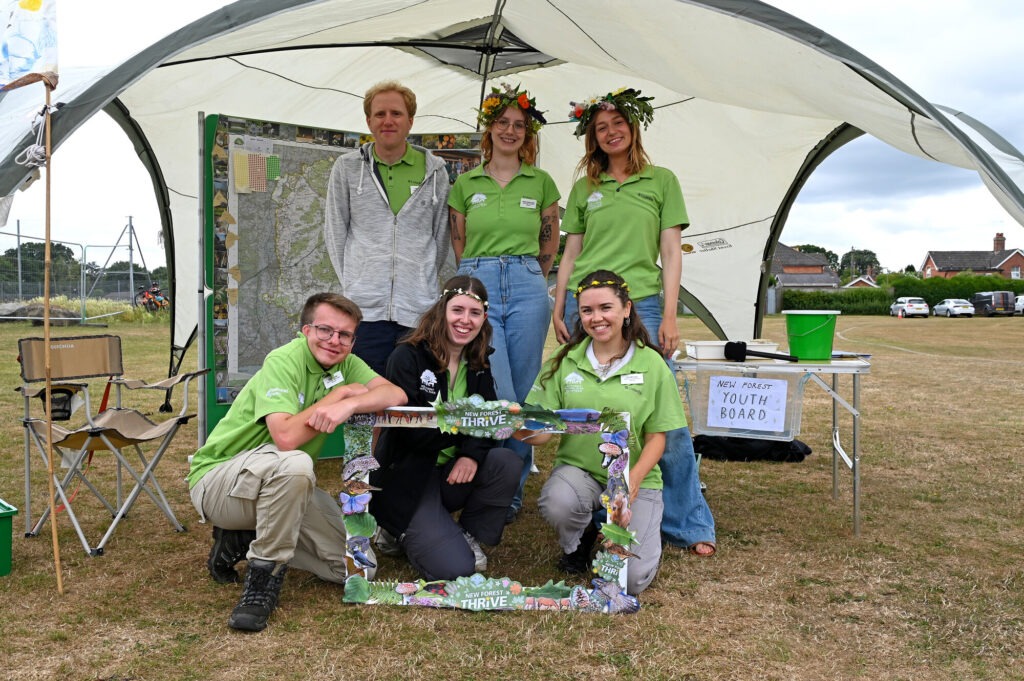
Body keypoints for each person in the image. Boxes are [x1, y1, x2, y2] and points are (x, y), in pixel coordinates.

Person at [553, 87, 716, 556]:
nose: (610, 132)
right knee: (584, 401)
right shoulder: (585, 187)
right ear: (592, 135)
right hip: (585, 300)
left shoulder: (661, 180)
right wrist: (558, 305)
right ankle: (586, 507)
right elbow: (572, 253)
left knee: (666, 417)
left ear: (633, 126)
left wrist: (669, 315)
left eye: (617, 124)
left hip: (640, 300)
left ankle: (688, 523)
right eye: (600, 127)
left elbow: (669, 251)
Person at [186, 292, 407, 632]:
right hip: (219, 481)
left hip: (280, 486)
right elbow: (285, 437)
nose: (335, 341)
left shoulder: (346, 363)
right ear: (305, 330)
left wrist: (348, 406)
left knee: (357, 568)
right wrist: (336, 396)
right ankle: (262, 582)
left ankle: (244, 537)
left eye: (344, 334)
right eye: (325, 330)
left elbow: (395, 394)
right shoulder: (283, 359)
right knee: (296, 463)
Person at [519, 271, 684, 595]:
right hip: (580, 473)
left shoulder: (652, 364)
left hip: (635, 481)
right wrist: (507, 427)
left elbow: (658, 438)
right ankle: (577, 542)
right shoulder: (563, 361)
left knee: (629, 581)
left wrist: (632, 480)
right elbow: (540, 434)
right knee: (558, 501)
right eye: (587, 311)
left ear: (626, 309)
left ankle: (622, 534)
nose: (597, 318)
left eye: (606, 307)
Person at [447, 83, 560, 523]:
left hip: (529, 281)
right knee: (497, 386)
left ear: (527, 134)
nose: (510, 131)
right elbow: (459, 243)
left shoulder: (542, 181)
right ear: (489, 130)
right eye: (502, 124)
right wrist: (481, 279)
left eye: (519, 125)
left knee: (526, 384)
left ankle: (509, 493)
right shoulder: (466, 183)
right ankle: (492, 482)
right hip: (480, 280)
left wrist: (533, 275)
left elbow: (548, 240)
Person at [370, 276, 521, 580]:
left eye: (474, 313)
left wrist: (471, 455)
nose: (465, 320)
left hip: (449, 472)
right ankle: (394, 527)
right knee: (454, 569)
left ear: (484, 318)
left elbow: (487, 423)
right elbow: (410, 432)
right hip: (409, 474)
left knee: (505, 462)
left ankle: (467, 533)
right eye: (458, 310)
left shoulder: (479, 361)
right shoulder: (407, 356)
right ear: (442, 310)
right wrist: (463, 424)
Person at [323, 80, 452, 374]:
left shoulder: (436, 172)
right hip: (364, 311)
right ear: (368, 120)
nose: (388, 121)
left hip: (418, 311)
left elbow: (440, 237)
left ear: (410, 121)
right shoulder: (346, 168)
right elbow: (335, 232)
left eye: (396, 113)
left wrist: (421, 278)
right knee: (364, 397)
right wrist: (356, 281)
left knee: (414, 397)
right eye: (380, 114)